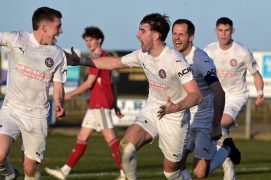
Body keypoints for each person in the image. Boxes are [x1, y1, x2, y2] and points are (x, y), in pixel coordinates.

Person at [65, 13, 202, 180]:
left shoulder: (175, 60)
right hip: (152, 110)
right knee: (126, 147)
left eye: (142, 31)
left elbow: (196, 95)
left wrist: (175, 107)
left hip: (175, 117)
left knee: (171, 173)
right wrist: (81, 61)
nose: (138, 35)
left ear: (156, 35)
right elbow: (115, 63)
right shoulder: (142, 54)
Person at [45, 26, 125, 180]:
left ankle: (125, 173)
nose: (88, 43)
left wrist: (70, 94)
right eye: (86, 40)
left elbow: (89, 83)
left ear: (99, 40)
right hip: (95, 105)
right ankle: (64, 171)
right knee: (82, 137)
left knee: (111, 139)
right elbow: (112, 84)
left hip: (100, 105)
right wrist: (115, 105)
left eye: (91, 39)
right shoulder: (103, 57)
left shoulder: (99, 58)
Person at [0, 6, 66, 180]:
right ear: (44, 28)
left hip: (37, 117)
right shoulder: (16, 39)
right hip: (11, 110)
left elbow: (58, 85)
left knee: (30, 169)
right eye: (58, 27)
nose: (61, 31)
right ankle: (10, 174)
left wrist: (59, 102)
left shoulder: (58, 54)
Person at [172, 19, 241, 179]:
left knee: (200, 173)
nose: (176, 38)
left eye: (181, 34)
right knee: (174, 166)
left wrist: (216, 125)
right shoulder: (172, 57)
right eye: (174, 34)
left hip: (204, 120)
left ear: (191, 37)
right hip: (185, 120)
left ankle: (227, 148)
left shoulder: (201, 59)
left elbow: (219, 92)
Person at [204, 17, 265, 180]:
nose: (223, 34)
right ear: (215, 31)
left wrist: (260, 93)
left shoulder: (242, 52)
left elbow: (256, 75)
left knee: (218, 126)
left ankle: (228, 153)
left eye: (227, 30)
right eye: (220, 31)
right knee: (219, 135)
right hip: (215, 97)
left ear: (233, 31)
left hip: (236, 97)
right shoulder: (208, 51)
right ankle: (230, 172)